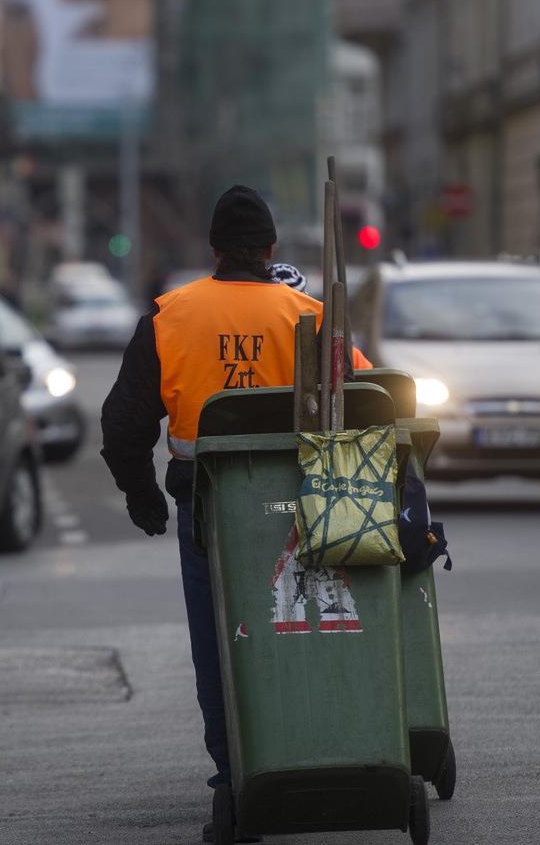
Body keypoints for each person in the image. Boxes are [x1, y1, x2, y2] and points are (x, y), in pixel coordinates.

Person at [100, 185, 371, 813]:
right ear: (270, 249)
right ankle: (324, 748)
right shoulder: (312, 316)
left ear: (214, 251)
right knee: (314, 626)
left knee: (220, 638)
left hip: (210, 514)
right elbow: (369, 401)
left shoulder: (171, 318)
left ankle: (235, 776)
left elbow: (122, 429)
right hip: (312, 507)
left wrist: (143, 498)